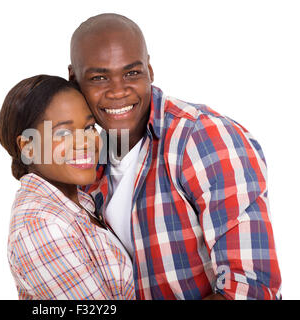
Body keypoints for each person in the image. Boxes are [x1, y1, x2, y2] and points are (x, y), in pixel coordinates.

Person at [68, 13, 281, 300]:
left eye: (132, 73)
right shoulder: (80, 156)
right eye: (99, 78)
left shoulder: (204, 138)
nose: (118, 91)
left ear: (150, 70)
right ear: (73, 79)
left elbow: (250, 291)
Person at [0, 74, 135, 299]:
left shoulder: (80, 200)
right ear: (28, 147)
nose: (86, 142)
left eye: (89, 127)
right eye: (63, 132)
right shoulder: (41, 227)